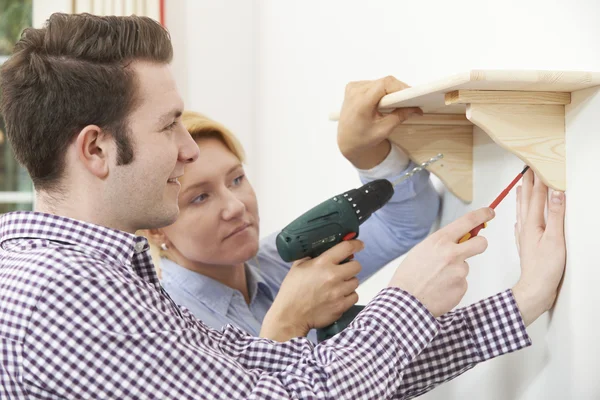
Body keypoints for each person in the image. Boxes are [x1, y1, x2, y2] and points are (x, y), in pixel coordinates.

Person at [0, 13, 566, 399]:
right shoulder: (61, 295)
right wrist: (407, 302)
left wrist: (524, 300)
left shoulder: (108, 275)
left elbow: (305, 371)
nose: (188, 147)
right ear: (96, 149)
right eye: (169, 125)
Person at [144, 108, 440, 342]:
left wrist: (369, 156)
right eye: (200, 198)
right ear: (156, 228)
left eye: (236, 179)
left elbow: (405, 224)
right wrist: (290, 322)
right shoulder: (164, 326)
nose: (235, 206)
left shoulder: (284, 260)